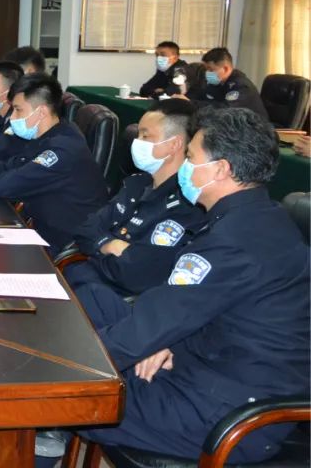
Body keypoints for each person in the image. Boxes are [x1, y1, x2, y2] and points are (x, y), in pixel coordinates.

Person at [71, 108, 309, 463]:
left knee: (71, 394)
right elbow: (194, 305)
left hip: (226, 410)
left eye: (191, 157)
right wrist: (165, 340)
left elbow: (159, 319)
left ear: (221, 169)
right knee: (95, 300)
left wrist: (65, 364)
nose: (184, 166)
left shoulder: (233, 239)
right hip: (209, 364)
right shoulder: (256, 217)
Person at [0, 74, 108, 250]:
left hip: (60, 241)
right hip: (38, 225)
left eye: (18, 110)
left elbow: (7, 186)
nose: (12, 118)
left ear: (41, 112)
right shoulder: (50, 134)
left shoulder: (62, 149)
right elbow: (11, 165)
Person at [64, 100, 207, 295]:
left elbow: (136, 273)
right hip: (82, 278)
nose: (137, 142)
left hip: (109, 296)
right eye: (138, 134)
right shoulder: (137, 184)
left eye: (145, 136)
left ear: (173, 145)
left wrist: (99, 250)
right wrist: (110, 244)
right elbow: (86, 228)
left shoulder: (188, 203)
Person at [182, 47, 269, 121]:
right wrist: (184, 100)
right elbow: (202, 96)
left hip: (254, 128)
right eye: (206, 69)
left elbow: (225, 109)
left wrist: (191, 103)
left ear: (226, 69)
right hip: (231, 125)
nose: (207, 73)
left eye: (211, 69)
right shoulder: (217, 82)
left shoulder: (241, 86)